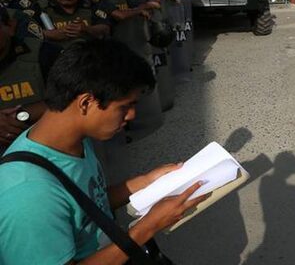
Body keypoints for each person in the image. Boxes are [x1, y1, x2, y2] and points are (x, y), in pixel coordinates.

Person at [0, 39, 209, 264]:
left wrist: (147, 181)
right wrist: (148, 227)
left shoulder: (73, 139)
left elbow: (88, 203)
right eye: (124, 106)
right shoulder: (28, 195)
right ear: (86, 103)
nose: (131, 115)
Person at [0, 6, 60, 150]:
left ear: (11, 27)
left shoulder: (45, 55)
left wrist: (23, 115)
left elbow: (78, 97)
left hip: (44, 148)